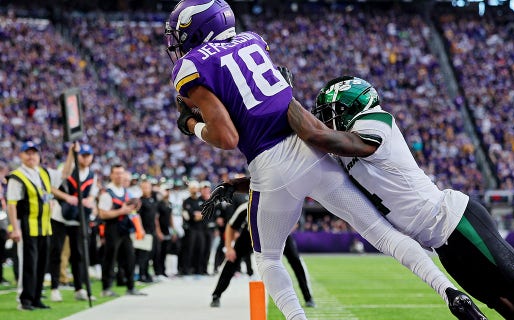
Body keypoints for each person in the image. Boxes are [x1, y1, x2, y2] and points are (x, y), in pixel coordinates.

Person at [166, 2, 482, 319]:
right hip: (311, 153)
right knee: (382, 233)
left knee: (269, 259)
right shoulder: (253, 40)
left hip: (269, 166)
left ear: (198, 28)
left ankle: (297, 317)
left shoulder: (191, 66)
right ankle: (449, 292)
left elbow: (227, 138)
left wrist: (192, 125)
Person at [286, 75, 514, 320]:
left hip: (456, 222)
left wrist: (283, 96)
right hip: (442, 245)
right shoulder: (343, 146)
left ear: (354, 107)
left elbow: (318, 135)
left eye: (332, 113)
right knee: (510, 309)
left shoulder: (377, 122)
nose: (327, 120)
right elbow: (297, 160)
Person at [6, 141, 78, 310]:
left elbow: (65, 173)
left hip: (44, 225)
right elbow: (11, 204)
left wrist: (71, 154)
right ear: (21, 156)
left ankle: (37, 297)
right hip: (27, 226)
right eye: (27, 153)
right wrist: (15, 228)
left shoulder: (44, 173)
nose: (31, 156)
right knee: (28, 264)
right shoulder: (17, 176)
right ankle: (25, 300)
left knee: (40, 264)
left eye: (34, 153)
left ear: (39, 156)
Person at [210, 197, 315, 308]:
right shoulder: (246, 207)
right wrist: (229, 248)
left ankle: (308, 297)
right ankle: (216, 295)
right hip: (251, 235)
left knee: (295, 260)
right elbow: (231, 226)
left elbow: (294, 223)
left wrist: (284, 229)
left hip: (278, 234)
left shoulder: (280, 206)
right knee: (232, 260)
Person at [50, 143, 98, 302]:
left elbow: (92, 194)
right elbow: (53, 187)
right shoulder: (68, 168)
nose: (86, 158)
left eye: (88, 155)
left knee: (79, 253)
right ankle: (55, 288)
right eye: (83, 155)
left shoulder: (92, 175)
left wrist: (88, 201)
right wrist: (67, 198)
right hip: (60, 216)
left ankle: (79, 288)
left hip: (78, 218)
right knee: (56, 251)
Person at [97, 164, 147, 297]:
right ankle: (106, 288)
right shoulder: (107, 192)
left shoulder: (125, 192)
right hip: (112, 228)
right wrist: (121, 211)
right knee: (110, 258)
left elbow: (132, 211)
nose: (119, 176)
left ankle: (131, 286)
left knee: (130, 257)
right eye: (117, 173)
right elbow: (102, 214)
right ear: (112, 175)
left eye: (121, 173)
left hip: (124, 228)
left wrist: (133, 208)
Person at [135, 179, 159, 282]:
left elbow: (155, 217)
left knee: (151, 253)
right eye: (144, 187)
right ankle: (142, 275)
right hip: (144, 230)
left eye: (147, 187)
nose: (146, 189)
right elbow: (137, 216)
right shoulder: (140, 201)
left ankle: (147, 273)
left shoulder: (153, 199)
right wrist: (140, 229)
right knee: (143, 254)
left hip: (152, 230)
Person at [180, 181, 206, 275]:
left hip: (200, 229)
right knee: (189, 250)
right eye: (192, 188)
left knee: (200, 249)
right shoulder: (186, 201)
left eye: (195, 188)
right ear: (189, 189)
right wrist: (198, 215)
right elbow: (189, 216)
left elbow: (205, 214)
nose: (194, 190)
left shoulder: (201, 200)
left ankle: (198, 270)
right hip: (191, 229)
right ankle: (186, 270)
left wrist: (198, 215)